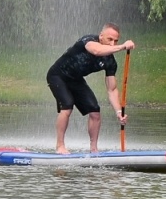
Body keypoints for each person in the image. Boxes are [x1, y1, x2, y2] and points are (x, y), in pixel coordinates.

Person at [47, 24, 135, 153]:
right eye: (109, 39)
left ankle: (94, 149)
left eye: (116, 41)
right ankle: (60, 146)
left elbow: (112, 90)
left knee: (95, 111)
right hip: (57, 75)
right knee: (67, 105)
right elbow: (96, 51)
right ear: (101, 36)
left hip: (75, 80)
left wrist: (119, 112)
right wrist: (122, 47)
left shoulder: (110, 62)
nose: (112, 44)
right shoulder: (88, 40)